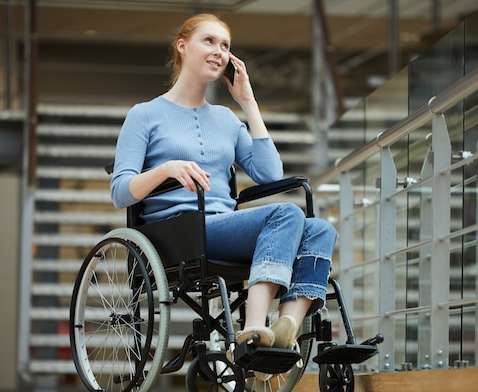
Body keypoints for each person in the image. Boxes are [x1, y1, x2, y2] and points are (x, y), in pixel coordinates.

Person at [111, 13, 337, 353]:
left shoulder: (226, 119)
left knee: (321, 230)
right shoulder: (144, 115)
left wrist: (248, 102)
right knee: (287, 214)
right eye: (210, 41)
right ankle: (255, 329)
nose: (220, 51)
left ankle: (285, 324)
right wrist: (166, 169)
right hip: (177, 232)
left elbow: (270, 174)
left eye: (226, 45)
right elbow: (119, 192)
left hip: (222, 229)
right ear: (182, 46)